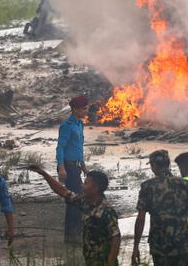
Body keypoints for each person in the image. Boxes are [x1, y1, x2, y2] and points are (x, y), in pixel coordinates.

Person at [28, 165, 120, 266]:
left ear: (94, 188)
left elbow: (116, 237)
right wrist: (44, 174)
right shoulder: (85, 203)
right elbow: (63, 191)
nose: (81, 185)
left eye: (85, 183)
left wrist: (110, 262)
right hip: (90, 260)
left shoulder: (107, 210)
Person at [132, 150, 188, 266]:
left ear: (154, 165)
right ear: (168, 164)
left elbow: (141, 219)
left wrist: (136, 247)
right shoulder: (184, 184)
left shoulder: (148, 186)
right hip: (182, 245)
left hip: (160, 248)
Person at [56, 95, 89, 243]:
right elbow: (60, 148)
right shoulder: (67, 125)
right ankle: (72, 235)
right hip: (68, 166)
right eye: (83, 109)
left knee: (76, 200)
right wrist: (61, 168)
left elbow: (79, 148)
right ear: (75, 109)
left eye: (86, 108)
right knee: (75, 200)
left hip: (76, 166)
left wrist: (84, 167)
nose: (85, 111)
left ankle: (74, 234)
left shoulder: (79, 124)